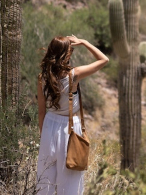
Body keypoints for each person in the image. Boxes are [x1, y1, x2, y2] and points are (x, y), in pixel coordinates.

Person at [36, 35, 108, 195]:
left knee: (44, 181)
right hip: (69, 128)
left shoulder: (42, 77)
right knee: (70, 183)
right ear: (65, 55)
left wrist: (44, 136)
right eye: (71, 51)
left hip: (48, 125)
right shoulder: (73, 74)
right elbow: (104, 60)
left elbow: (41, 111)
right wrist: (85, 42)